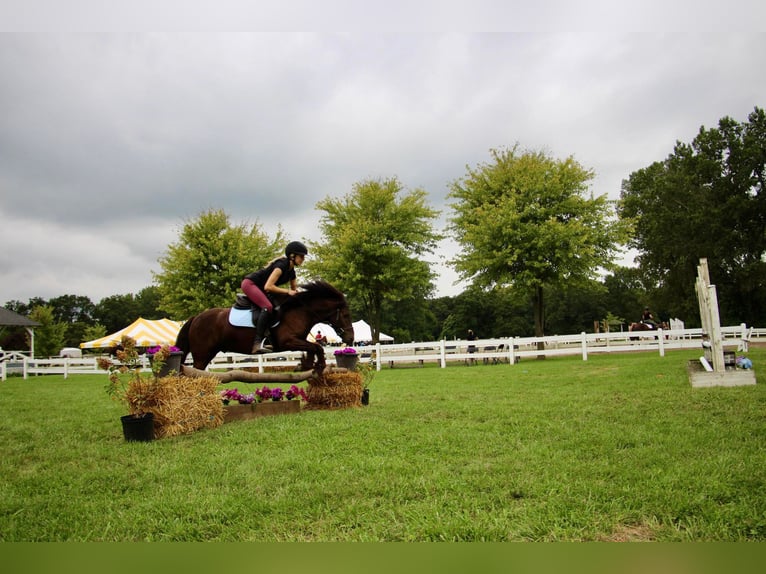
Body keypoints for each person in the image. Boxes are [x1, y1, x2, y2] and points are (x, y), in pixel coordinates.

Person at [241, 241, 308, 353]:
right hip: (250, 284)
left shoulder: (292, 272)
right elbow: (268, 287)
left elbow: (293, 290)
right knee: (267, 307)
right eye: (301, 256)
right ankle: (257, 343)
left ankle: (271, 339)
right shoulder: (280, 267)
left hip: (261, 288)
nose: (303, 259)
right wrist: (288, 291)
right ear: (292, 256)